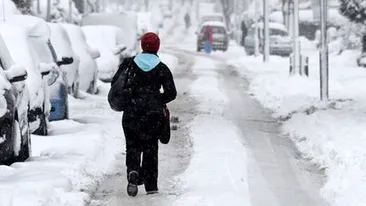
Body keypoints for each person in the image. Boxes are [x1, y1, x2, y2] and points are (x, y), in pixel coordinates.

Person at [111, 32, 177, 197]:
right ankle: (151, 185)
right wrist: (157, 99)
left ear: (142, 45)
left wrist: (130, 98)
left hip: (131, 113)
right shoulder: (161, 68)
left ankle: (133, 171)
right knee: (150, 148)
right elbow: (172, 93)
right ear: (157, 46)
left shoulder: (129, 64)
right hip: (153, 115)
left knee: (132, 146)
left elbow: (115, 84)